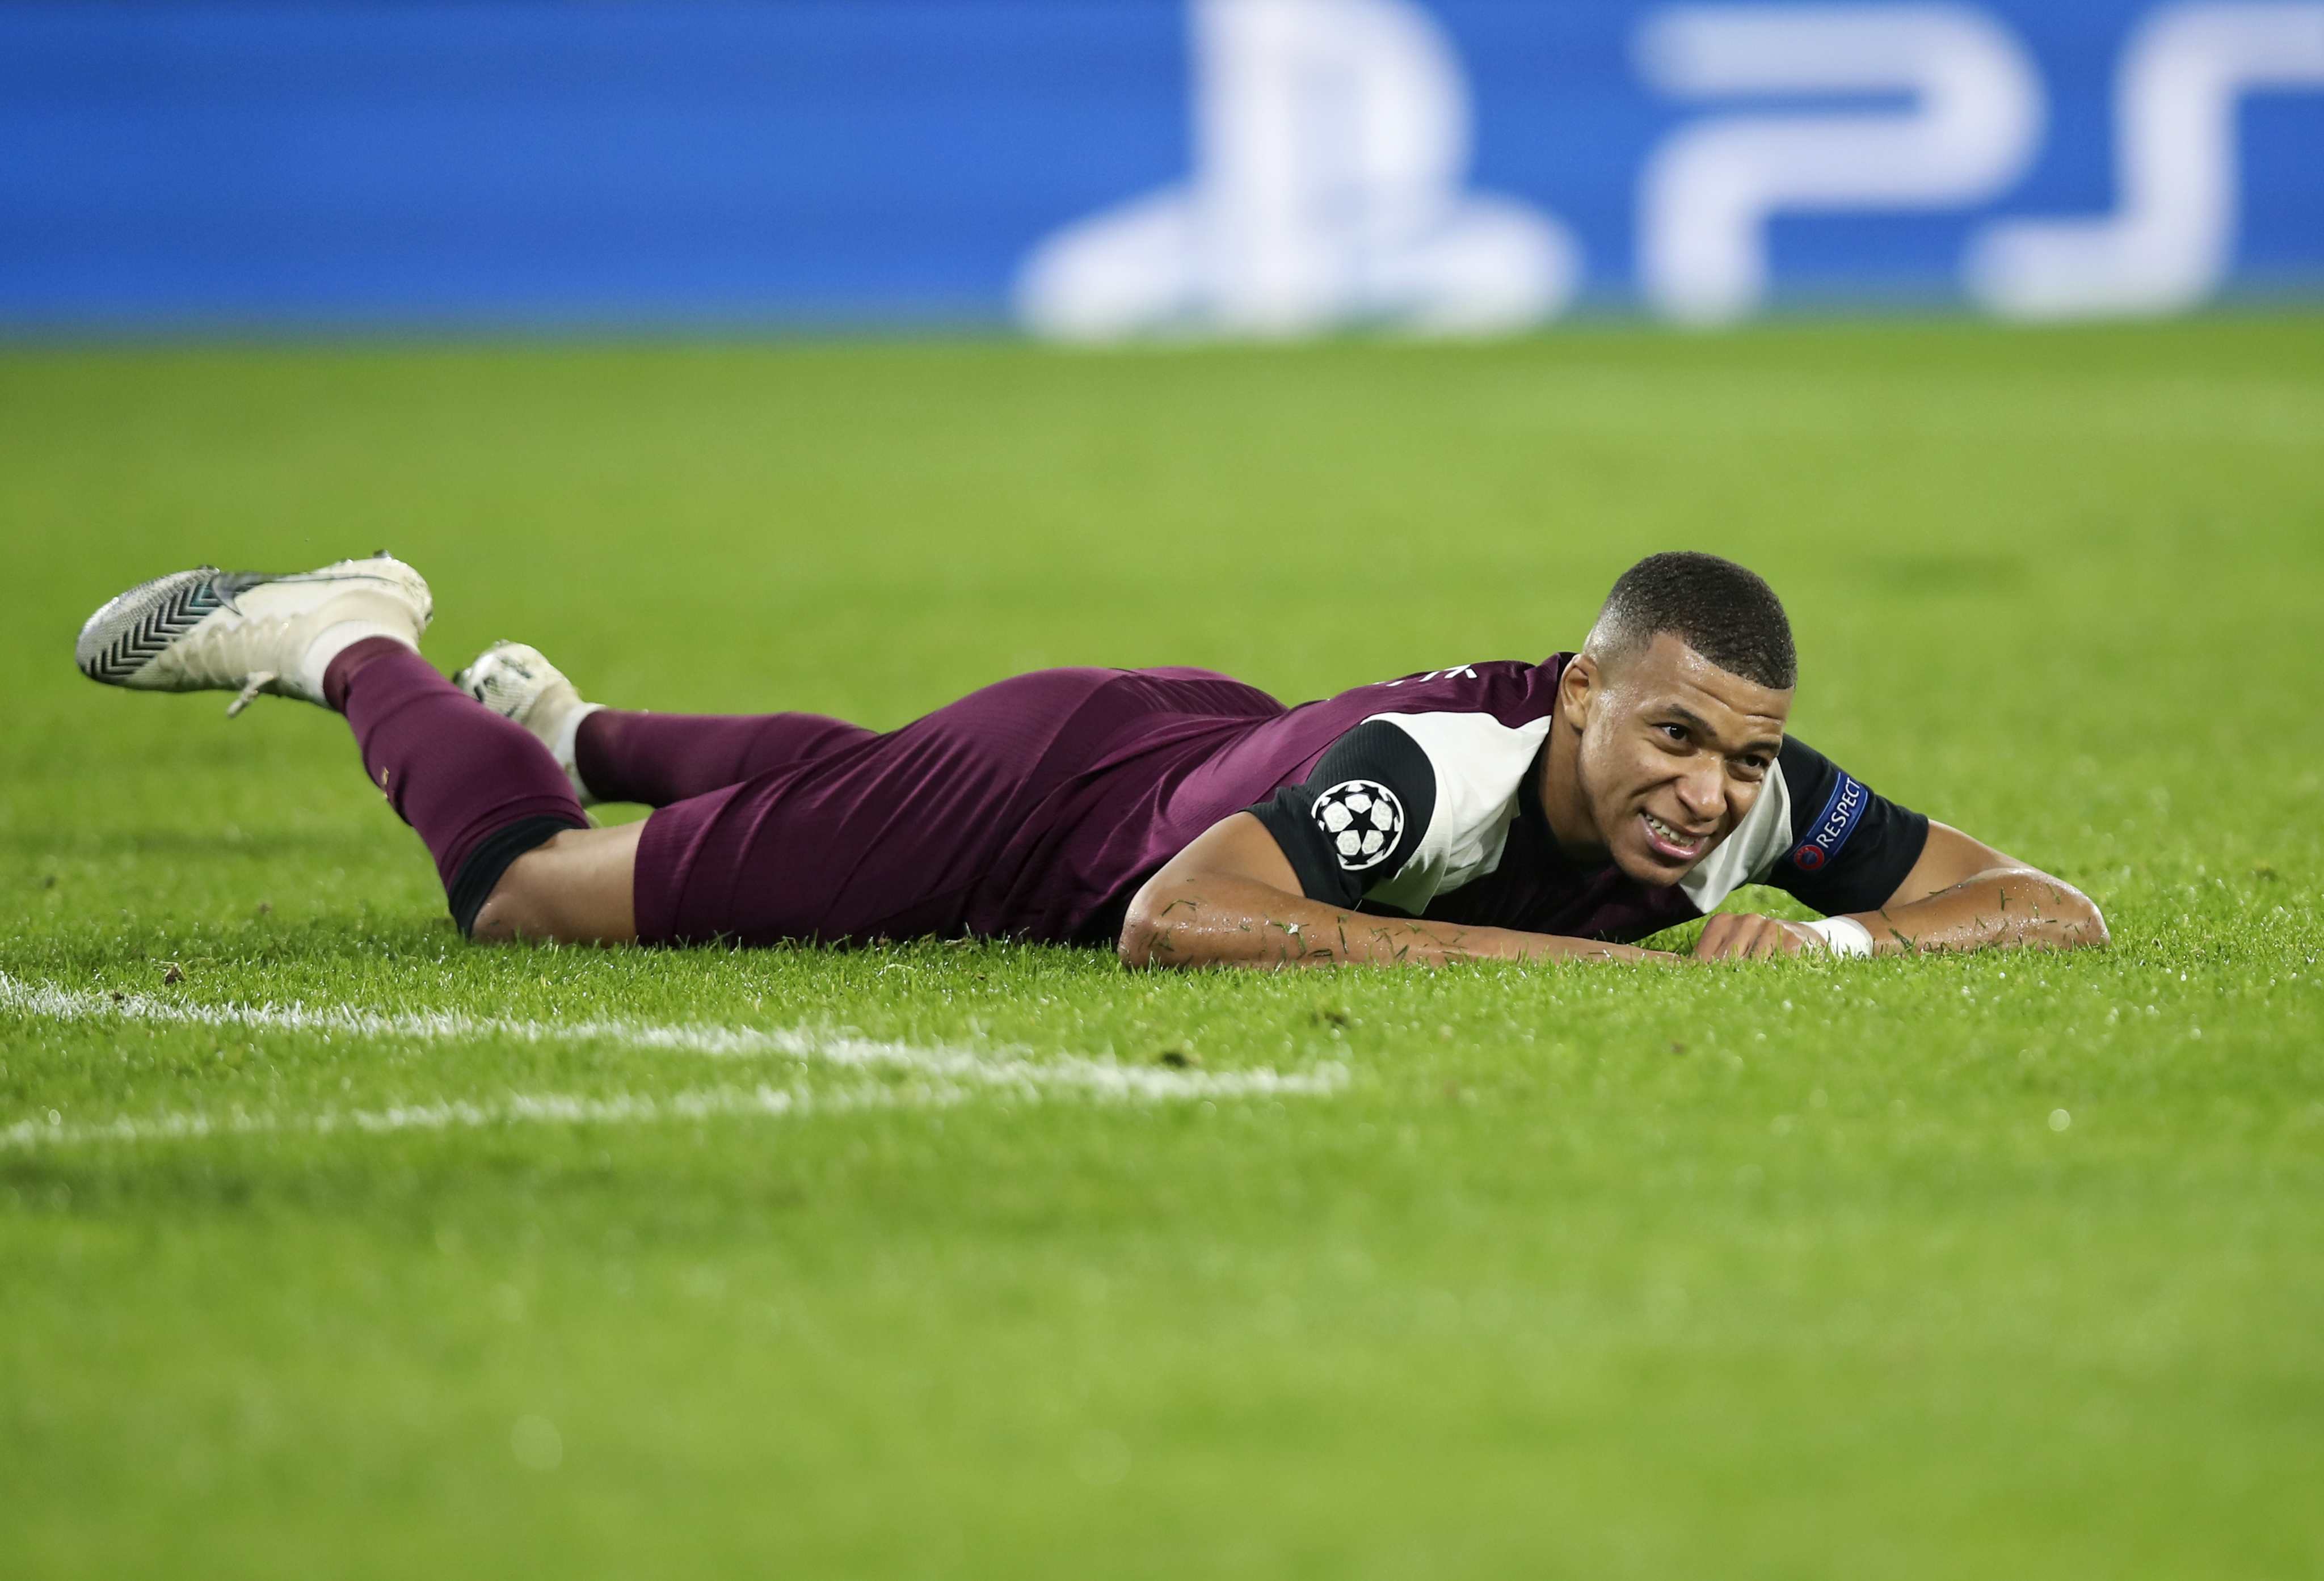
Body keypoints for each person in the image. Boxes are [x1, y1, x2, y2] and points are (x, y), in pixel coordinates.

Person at [74, 551, 2104, 965]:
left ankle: (573, 723)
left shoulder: (1746, 792)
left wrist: (1835, 946)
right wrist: (1581, 973)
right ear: (1579, 696)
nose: (1707, 796)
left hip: (1178, 737)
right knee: (537, 897)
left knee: (836, 779)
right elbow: (1182, 921)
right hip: (1050, 808)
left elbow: (2049, 909)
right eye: (1669, 735)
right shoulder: (1430, 777)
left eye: (1738, 762)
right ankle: (354, 640)